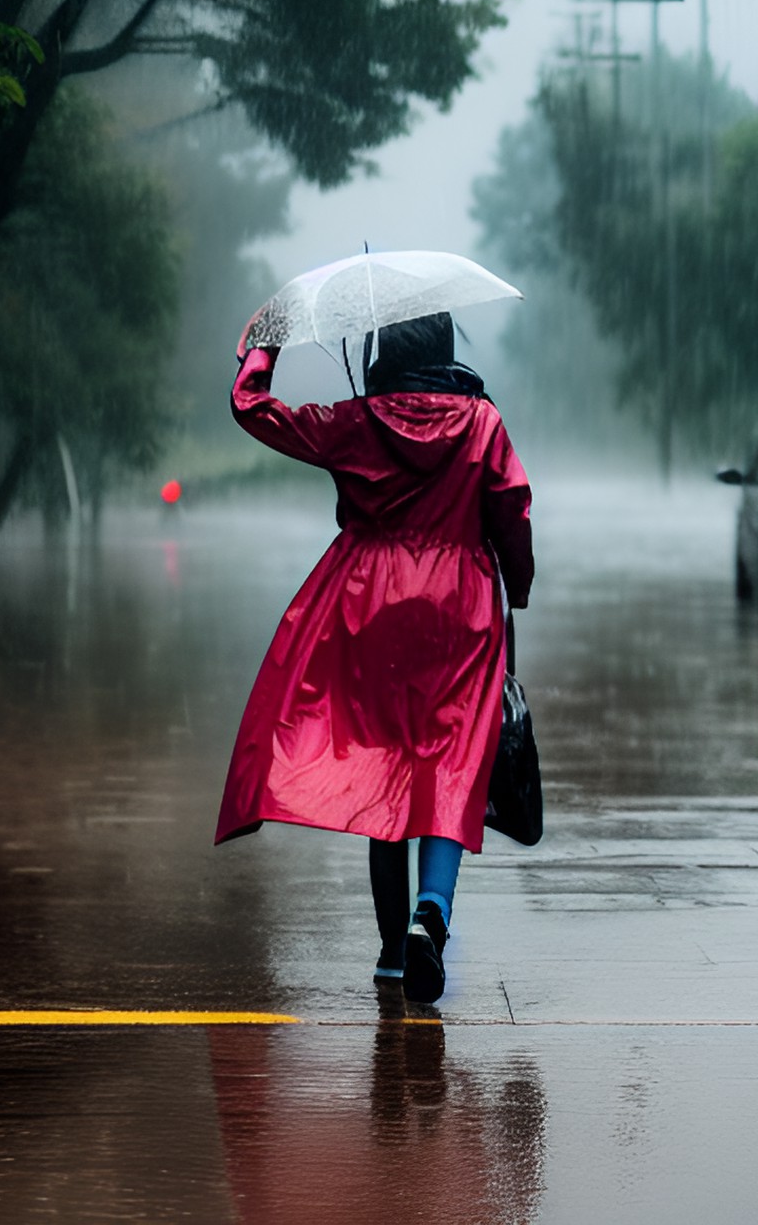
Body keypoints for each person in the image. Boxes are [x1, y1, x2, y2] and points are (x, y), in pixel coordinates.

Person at [215, 311, 534, 1002]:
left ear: (383, 349)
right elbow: (512, 507)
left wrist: (262, 347)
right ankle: (433, 914)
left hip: (370, 605)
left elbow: (254, 410)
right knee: (449, 770)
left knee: (380, 771)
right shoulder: (482, 424)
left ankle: (393, 946)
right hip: (462, 607)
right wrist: (520, 585)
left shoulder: (357, 421)